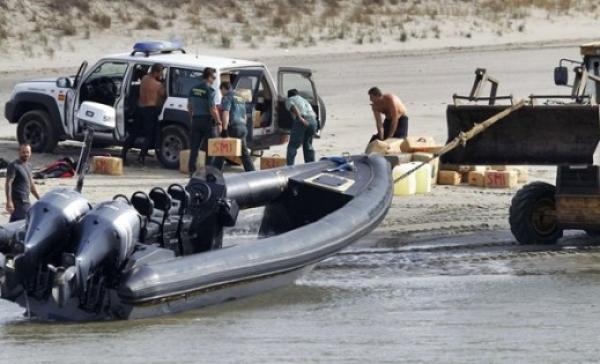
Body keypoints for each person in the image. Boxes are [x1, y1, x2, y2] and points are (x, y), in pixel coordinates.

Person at [121, 63, 166, 165]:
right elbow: (164, 94)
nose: (161, 74)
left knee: (133, 133)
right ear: (156, 72)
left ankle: (123, 154)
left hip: (139, 108)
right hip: (149, 110)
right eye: (161, 73)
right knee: (149, 135)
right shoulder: (158, 85)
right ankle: (141, 157)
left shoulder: (144, 78)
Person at [213, 82, 256, 172]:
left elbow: (226, 112)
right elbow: (244, 115)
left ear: (224, 88)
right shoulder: (240, 97)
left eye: (221, 91)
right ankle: (252, 173)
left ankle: (214, 173)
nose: (221, 93)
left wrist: (224, 129)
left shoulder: (227, 97)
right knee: (244, 154)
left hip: (234, 127)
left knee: (222, 150)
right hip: (243, 128)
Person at [188, 67, 222, 175]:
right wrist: (219, 122)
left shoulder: (193, 89)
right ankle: (208, 172)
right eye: (213, 77)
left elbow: (189, 107)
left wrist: (192, 119)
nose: (214, 80)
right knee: (210, 149)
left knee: (194, 148)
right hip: (207, 121)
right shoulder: (209, 90)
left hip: (196, 120)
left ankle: (192, 171)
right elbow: (212, 109)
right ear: (208, 77)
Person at [5, 144, 40, 222]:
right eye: (23, 152)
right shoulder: (14, 165)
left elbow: (31, 185)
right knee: (25, 223)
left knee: (15, 225)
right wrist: (9, 201)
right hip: (19, 202)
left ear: (30, 153)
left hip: (26, 201)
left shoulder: (29, 166)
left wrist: (39, 198)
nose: (26, 154)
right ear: (19, 152)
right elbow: (8, 183)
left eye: (27, 152)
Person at [285, 89, 318, 166]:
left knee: (292, 146)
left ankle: (290, 168)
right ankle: (310, 166)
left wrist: (300, 118)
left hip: (302, 120)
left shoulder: (289, 99)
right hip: (313, 121)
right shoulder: (304, 100)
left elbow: (293, 107)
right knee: (308, 145)